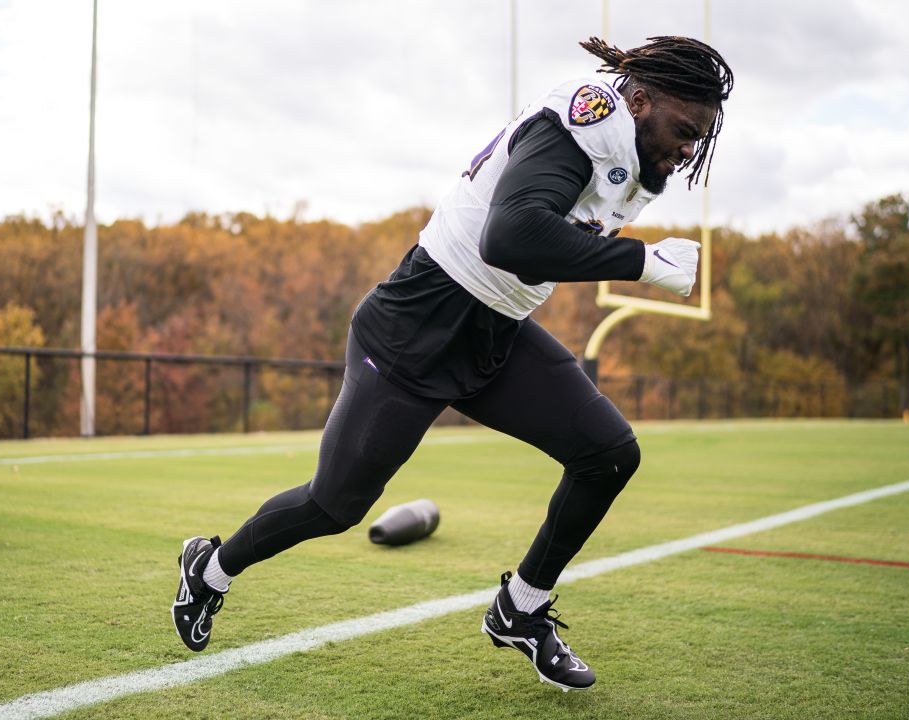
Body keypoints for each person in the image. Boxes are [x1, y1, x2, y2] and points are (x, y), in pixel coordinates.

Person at [173, 35, 734, 691]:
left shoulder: (640, 147)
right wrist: (640, 261)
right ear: (638, 100)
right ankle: (211, 567)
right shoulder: (586, 120)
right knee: (336, 505)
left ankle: (520, 609)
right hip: (416, 324)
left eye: (701, 136)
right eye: (684, 130)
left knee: (608, 453)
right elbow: (510, 237)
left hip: (495, 329)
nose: (690, 148)